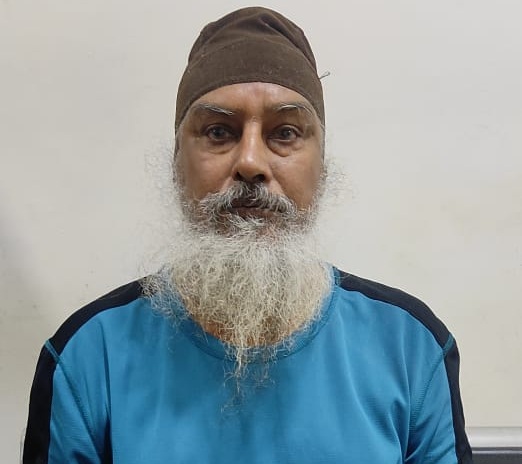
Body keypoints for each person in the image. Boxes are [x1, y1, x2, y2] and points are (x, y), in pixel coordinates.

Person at [23, 6, 473, 463]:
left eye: (285, 132)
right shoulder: (88, 357)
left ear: (323, 168)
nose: (251, 163)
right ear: (176, 165)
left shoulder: (410, 348)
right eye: (219, 132)